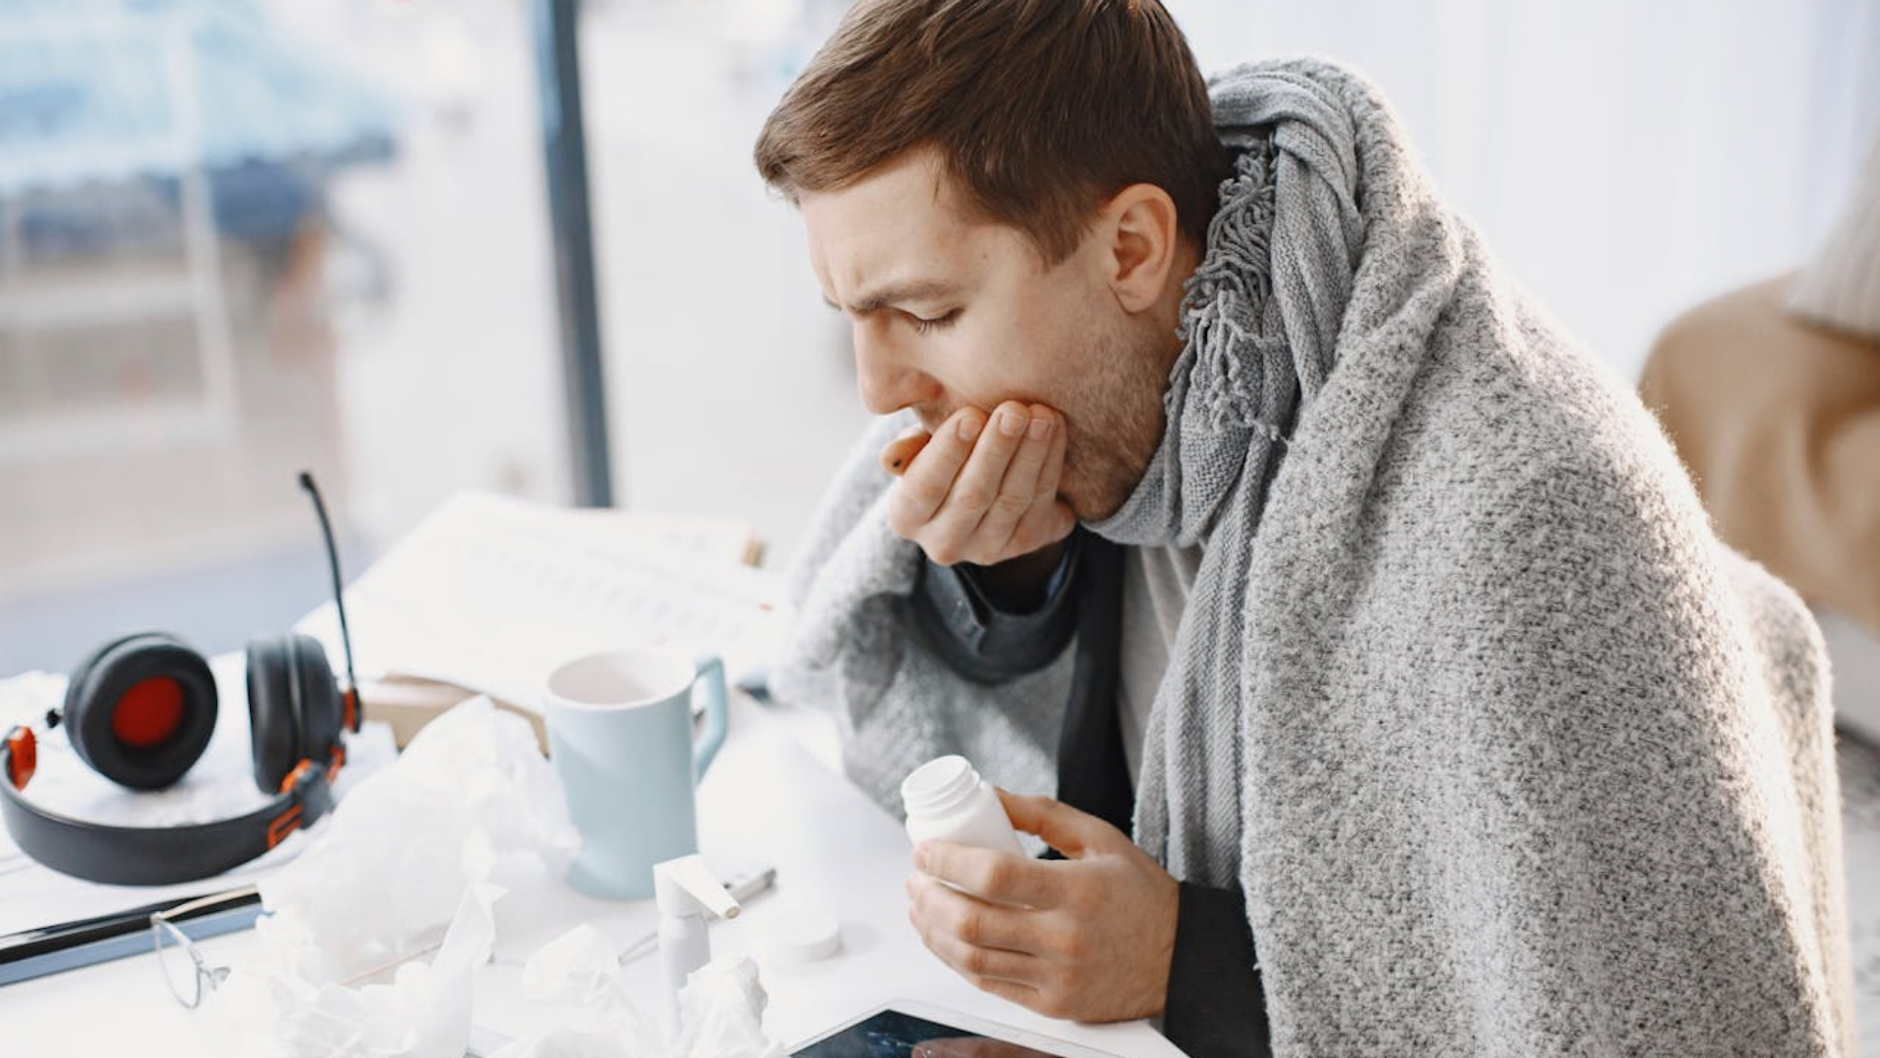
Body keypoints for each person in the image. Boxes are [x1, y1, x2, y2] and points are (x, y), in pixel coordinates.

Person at [753, 2, 1854, 1056]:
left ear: (1131, 248)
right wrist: (1018, 562)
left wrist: (1185, 962)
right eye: (850, 317)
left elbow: (1604, 1013)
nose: (878, 387)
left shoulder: (1518, 524)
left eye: (929, 313)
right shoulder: (1104, 389)